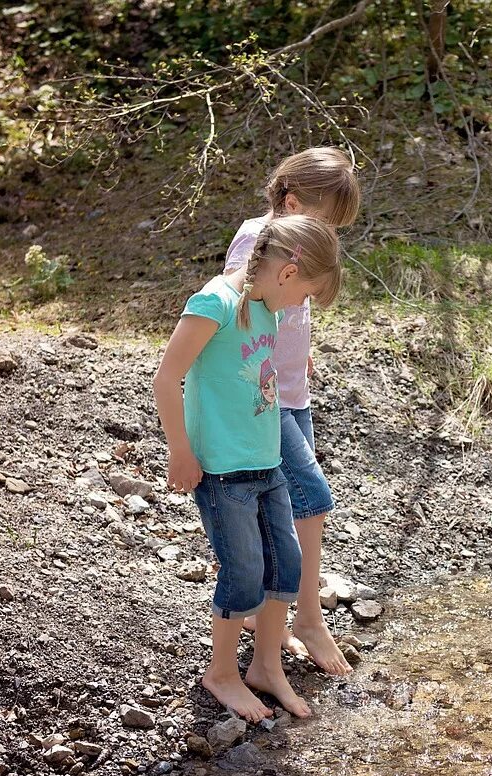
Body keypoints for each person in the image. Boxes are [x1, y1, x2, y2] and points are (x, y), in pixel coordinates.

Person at [153, 214, 342, 722]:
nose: (301, 306)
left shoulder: (267, 310)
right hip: (222, 469)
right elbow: (167, 379)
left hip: (267, 461)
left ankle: (265, 667)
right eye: (305, 294)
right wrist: (180, 451)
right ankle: (222, 674)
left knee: (286, 562)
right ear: (288, 272)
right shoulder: (214, 303)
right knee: (244, 573)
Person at [226, 147, 360, 676]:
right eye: (323, 221)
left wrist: (301, 351)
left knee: (279, 506)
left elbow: (292, 305)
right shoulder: (254, 238)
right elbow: (240, 306)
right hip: (261, 397)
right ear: (290, 200)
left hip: (292, 391)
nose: (328, 233)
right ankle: (306, 617)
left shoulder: (298, 239)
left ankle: (266, 612)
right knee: (312, 498)